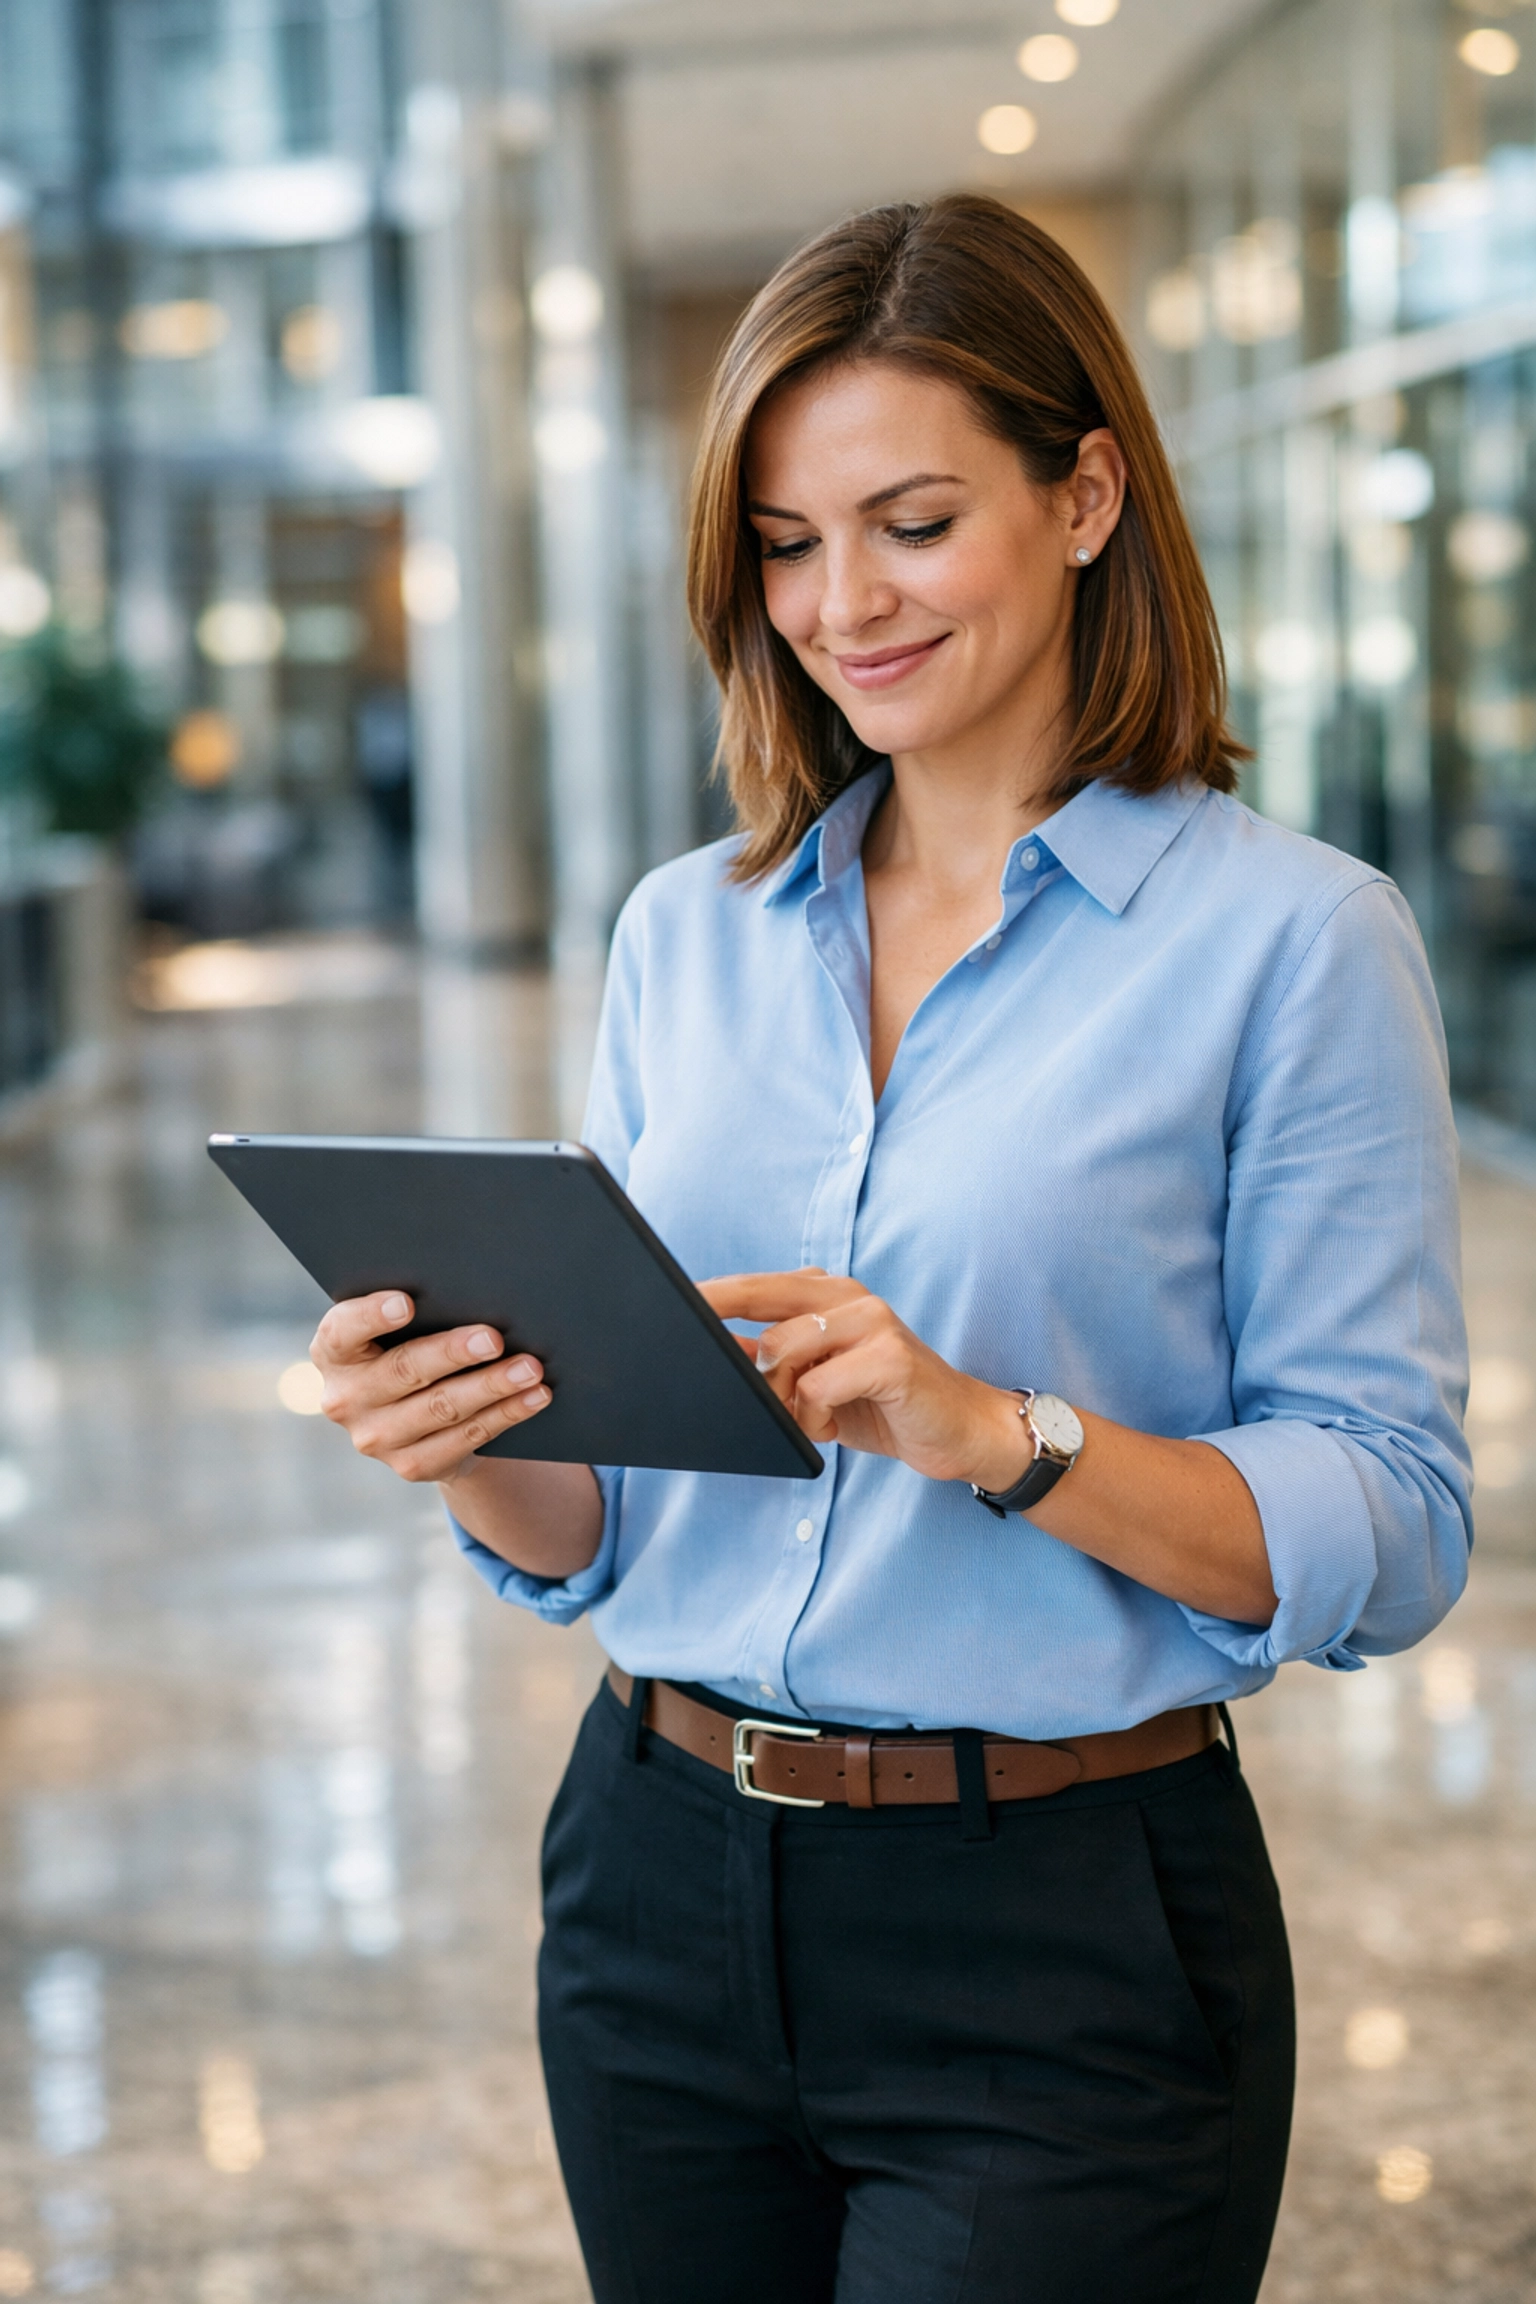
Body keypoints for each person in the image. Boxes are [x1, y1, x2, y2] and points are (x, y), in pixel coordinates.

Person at [309, 196, 1472, 2304]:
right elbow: (609, 1519)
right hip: (658, 1889)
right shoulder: (690, 935)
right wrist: (469, 1428)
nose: (841, 600)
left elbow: (1393, 1521)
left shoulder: (1292, 944)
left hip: (1056, 1933)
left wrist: (996, 1431)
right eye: (783, 541)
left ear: (1088, 491)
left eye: (912, 521)